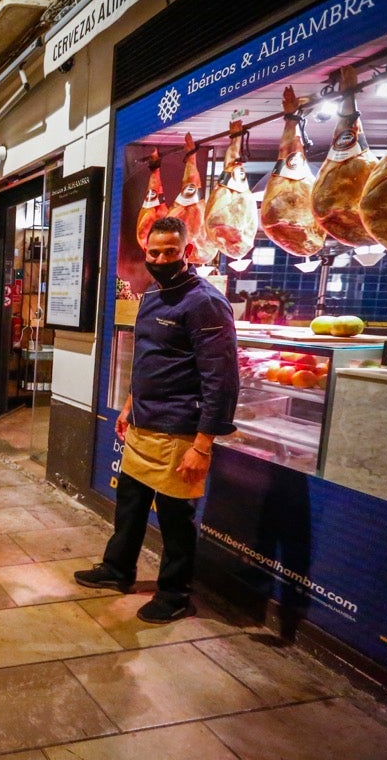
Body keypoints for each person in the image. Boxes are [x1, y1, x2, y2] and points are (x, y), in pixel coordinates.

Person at [74, 216, 238, 624]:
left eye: (170, 252)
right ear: (145, 252)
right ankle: (117, 571)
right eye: (154, 252)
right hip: (144, 424)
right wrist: (129, 404)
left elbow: (221, 379)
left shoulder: (205, 302)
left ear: (187, 252)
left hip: (181, 430)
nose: (161, 258)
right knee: (129, 506)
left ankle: (176, 593)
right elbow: (148, 358)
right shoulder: (151, 293)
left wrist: (203, 445)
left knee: (175, 520)